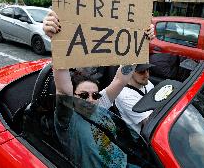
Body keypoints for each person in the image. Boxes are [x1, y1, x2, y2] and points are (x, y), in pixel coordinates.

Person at [43, 10, 155, 167]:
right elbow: (63, 90)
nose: (90, 99)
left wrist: (140, 42)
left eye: (95, 95)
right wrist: (56, 39)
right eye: (83, 95)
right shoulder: (67, 118)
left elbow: (119, 80)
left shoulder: (99, 105)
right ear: (72, 97)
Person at [114, 64, 154, 135]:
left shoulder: (145, 82)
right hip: (143, 135)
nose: (147, 75)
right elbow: (150, 122)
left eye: (147, 70)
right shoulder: (125, 96)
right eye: (141, 72)